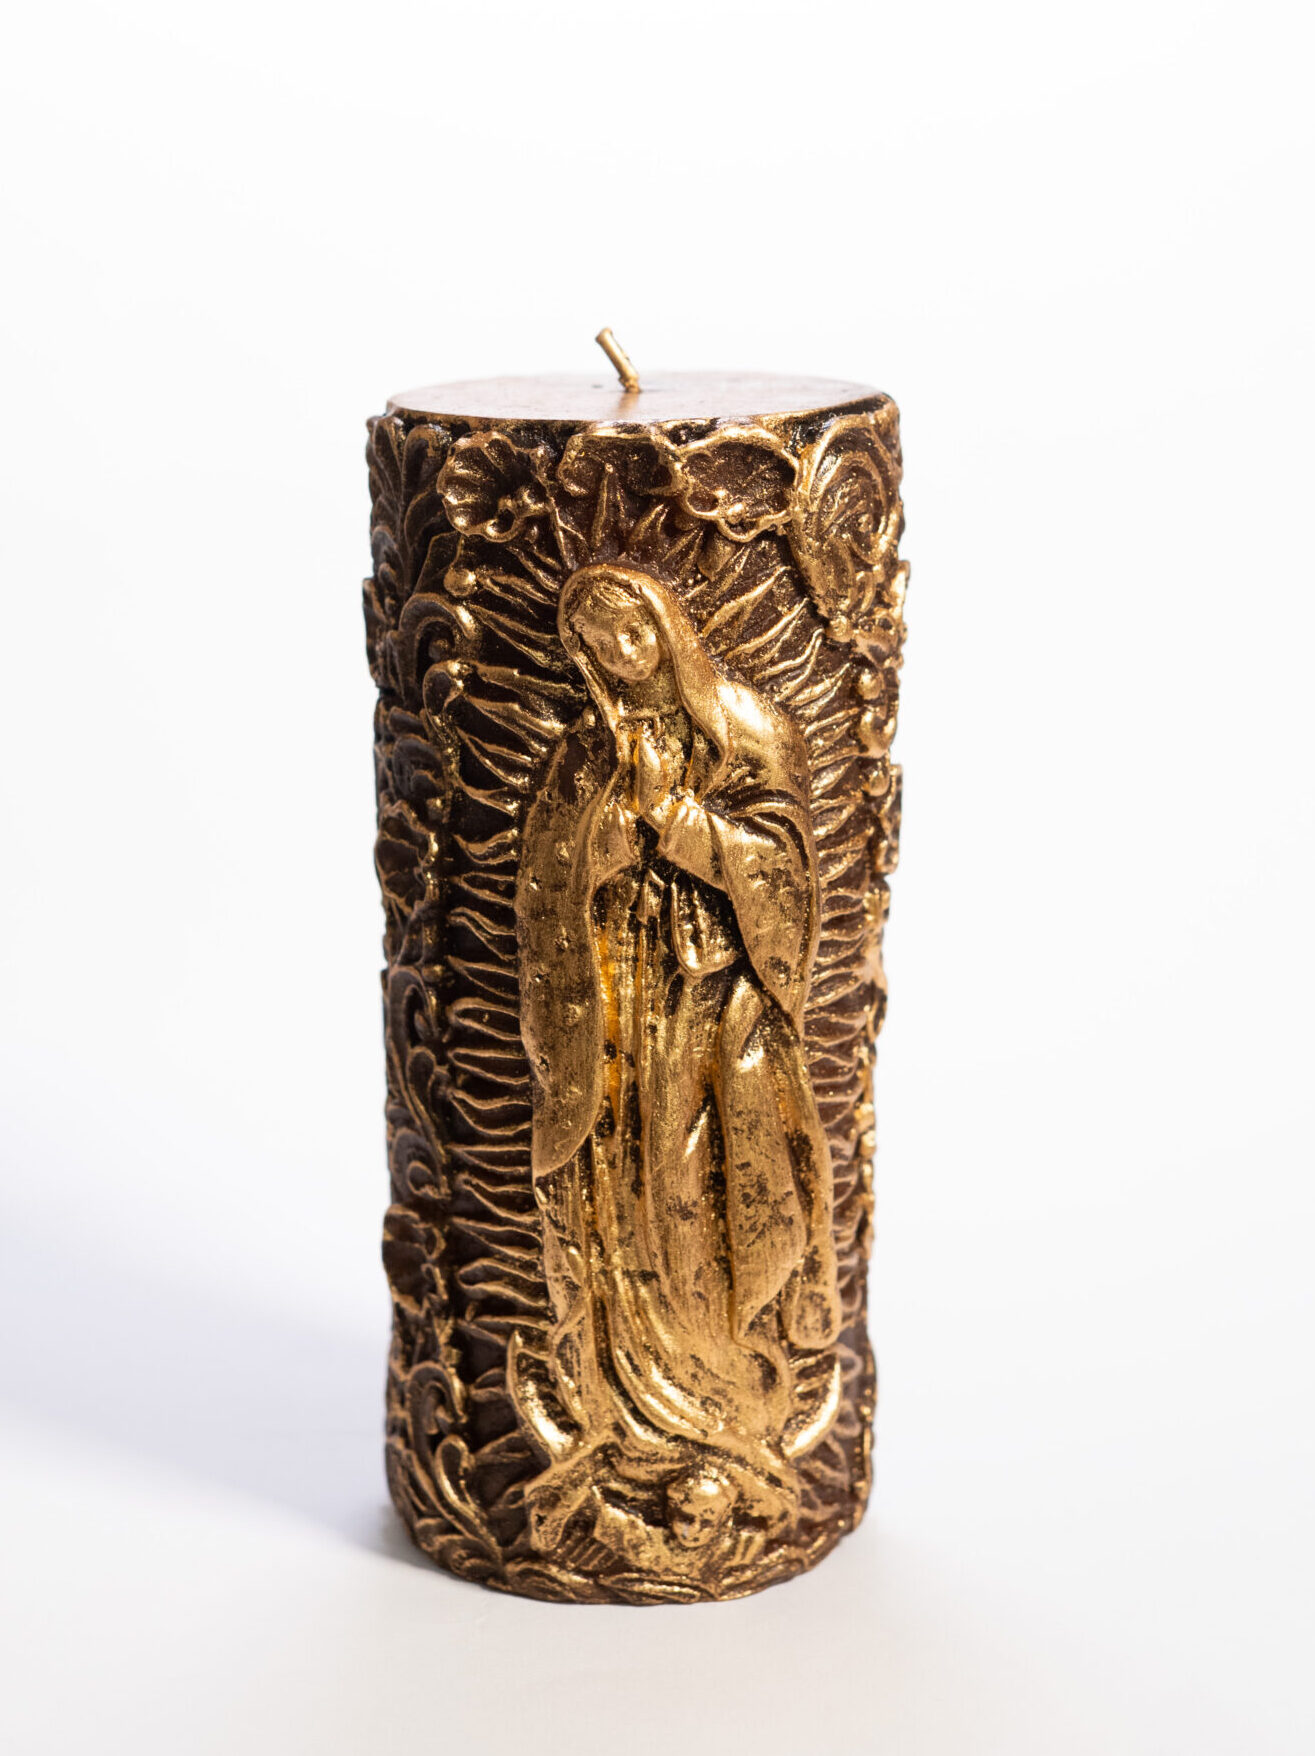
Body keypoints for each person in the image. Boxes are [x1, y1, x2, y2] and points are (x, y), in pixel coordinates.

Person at [511, 562, 841, 1574]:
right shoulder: (585, 752)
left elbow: (787, 875)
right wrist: (604, 850)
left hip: (713, 1021)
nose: (619, 654)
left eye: (633, 629)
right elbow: (544, 887)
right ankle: (620, 1411)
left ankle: (728, 1399)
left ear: (666, 626)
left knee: (697, 1201)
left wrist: (685, 828)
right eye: (595, 640)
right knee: (625, 1205)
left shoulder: (743, 728)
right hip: (618, 1024)